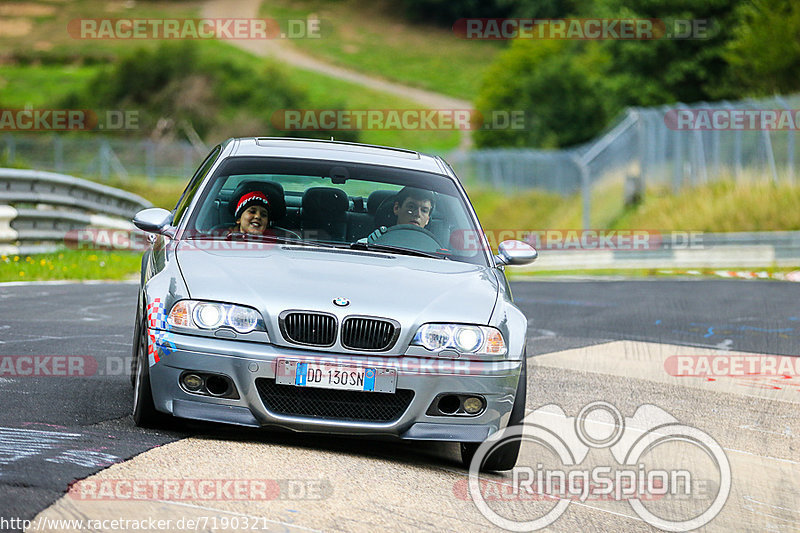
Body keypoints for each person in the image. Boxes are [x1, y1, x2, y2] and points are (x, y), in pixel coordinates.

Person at [363, 186, 436, 243]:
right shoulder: (367, 244)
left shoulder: (436, 254)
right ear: (396, 208)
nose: (417, 214)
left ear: (427, 219)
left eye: (424, 210)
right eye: (411, 207)